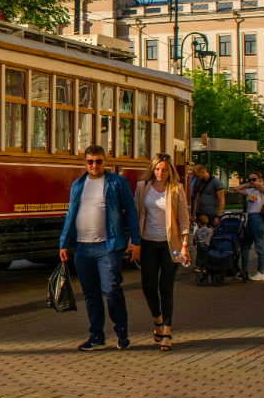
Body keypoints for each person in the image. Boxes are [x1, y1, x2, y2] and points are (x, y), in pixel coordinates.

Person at [59, 144, 141, 351]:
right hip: (82, 248)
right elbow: (70, 214)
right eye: (90, 161)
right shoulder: (78, 184)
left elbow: (131, 211)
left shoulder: (117, 182)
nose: (94, 165)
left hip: (108, 246)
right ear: (84, 162)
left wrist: (136, 241)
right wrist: (64, 243)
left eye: (98, 161)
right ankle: (96, 336)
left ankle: (122, 333)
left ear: (105, 161)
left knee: (112, 290)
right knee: (91, 294)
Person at [134, 154, 190, 352]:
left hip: (170, 245)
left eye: (165, 169)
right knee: (148, 287)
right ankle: (157, 319)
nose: (161, 173)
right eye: (158, 169)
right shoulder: (143, 187)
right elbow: (136, 214)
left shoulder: (177, 189)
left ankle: (166, 332)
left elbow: (183, 218)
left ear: (170, 171)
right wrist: (134, 242)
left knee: (166, 288)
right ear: (153, 169)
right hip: (148, 243)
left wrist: (185, 244)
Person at [234, 172, 264, 281]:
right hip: (250, 218)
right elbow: (237, 189)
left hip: (258, 218)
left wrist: (255, 182)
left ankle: (261, 272)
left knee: (259, 246)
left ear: (260, 179)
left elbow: (259, 186)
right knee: (245, 246)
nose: (252, 181)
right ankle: (244, 271)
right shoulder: (250, 190)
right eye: (250, 179)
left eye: (254, 179)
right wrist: (249, 184)